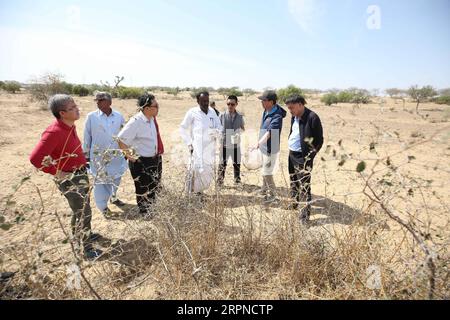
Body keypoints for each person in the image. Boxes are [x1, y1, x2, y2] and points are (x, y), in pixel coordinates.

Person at [29, 94, 102, 260]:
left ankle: (83, 235)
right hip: (70, 179)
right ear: (62, 113)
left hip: (80, 173)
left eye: (76, 105)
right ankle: (87, 249)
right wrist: (57, 172)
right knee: (83, 211)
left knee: (82, 209)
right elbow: (35, 158)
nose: (77, 109)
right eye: (72, 107)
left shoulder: (70, 126)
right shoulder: (54, 131)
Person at [117, 93, 164, 216]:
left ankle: (153, 209)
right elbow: (121, 139)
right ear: (147, 108)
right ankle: (145, 213)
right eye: (156, 105)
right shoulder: (136, 122)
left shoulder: (152, 119)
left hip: (155, 159)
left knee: (154, 186)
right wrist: (130, 156)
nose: (158, 108)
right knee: (142, 188)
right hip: (141, 161)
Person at [83, 92, 127, 217]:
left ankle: (113, 197)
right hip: (99, 157)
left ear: (109, 102)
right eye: (96, 100)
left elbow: (124, 135)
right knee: (101, 182)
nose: (97, 102)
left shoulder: (118, 116)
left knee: (116, 177)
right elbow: (87, 136)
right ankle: (103, 208)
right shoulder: (91, 117)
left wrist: (127, 152)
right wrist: (86, 154)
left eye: (101, 100)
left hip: (116, 156)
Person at [285, 94, 323, 224]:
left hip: (303, 157)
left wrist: (310, 156)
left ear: (301, 104)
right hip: (291, 154)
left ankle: (304, 217)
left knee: (305, 187)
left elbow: (319, 140)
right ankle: (294, 204)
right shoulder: (293, 117)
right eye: (289, 108)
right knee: (293, 181)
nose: (290, 110)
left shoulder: (312, 117)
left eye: (292, 107)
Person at [180, 91, 222, 198]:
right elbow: (183, 128)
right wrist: (189, 144)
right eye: (203, 101)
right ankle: (189, 196)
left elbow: (219, 126)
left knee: (206, 172)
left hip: (210, 149)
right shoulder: (192, 112)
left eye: (207, 101)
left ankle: (199, 193)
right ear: (198, 101)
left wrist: (216, 132)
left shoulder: (212, 112)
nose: (205, 103)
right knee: (193, 171)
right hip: (196, 149)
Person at [253, 90, 287, 204]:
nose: (262, 102)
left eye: (264, 100)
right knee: (264, 169)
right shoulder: (266, 111)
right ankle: (264, 189)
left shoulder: (277, 115)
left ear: (271, 102)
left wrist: (258, 143)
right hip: (264, 146)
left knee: (267, 172)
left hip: (271, 148)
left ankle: (273, 195)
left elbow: (270, 132)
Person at [218, 95, 245, 186]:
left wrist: (239, 132)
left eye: (232, 104)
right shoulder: (221, 115)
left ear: (236, 104)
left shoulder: (240, 116)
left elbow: (242, 128)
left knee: (237, 164)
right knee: (222, 164)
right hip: (224, 144)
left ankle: (237, 182)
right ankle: (219, 183)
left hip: (235, 143)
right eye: (228, 104)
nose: (230, 106)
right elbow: (217, 129)